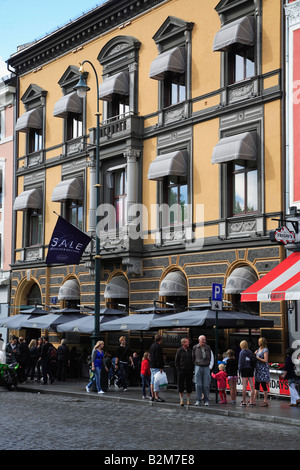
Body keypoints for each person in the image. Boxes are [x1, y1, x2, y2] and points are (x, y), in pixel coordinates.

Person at [192, 335, 214, 406]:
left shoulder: (208, 347)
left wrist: (209, 364)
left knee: (206, 385)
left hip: (206, 366)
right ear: (199, 340)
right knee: (198, 384)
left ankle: (206, 400)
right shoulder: (195, 347)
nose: (204, 341)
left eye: (205, 340)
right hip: (198, 366)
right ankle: (198, 400)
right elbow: (193, 357)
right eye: (202, 340)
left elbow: (210, 357)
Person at [175, 337, 193, 406]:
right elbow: (176, 361)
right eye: (187, 342)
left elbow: (192, 360)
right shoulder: (179, 350)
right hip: (181, 370)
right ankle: (181, 400)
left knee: (189, 385)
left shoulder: (190, 351)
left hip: (189, 370)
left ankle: (188, 400)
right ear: (183, 343)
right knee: (181, 385)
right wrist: (178, 369)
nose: (188, 343)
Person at [238, 340, 255, 406]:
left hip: (244, 369)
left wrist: (239, 371)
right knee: (252, 386)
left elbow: (240, 362)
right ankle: (251, 400)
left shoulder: (242, 352)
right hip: (250, 369)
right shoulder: (250, 352)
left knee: (244, 386)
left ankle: (244, 401)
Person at [254, 337, 270, 407]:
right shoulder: (259, 349)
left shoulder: (265, 350)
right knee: (256, 384)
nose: (258, 343)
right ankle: (253, 399)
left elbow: (266, 360)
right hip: (258, 369)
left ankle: (265, 401)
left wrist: (258, 358)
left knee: (263, 385)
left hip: (263, 370)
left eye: (259, 341)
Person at [149, 334, 165, 402]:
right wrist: (161, 367)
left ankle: (152, 396)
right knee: (156, 382)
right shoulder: (158, 347)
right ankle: (156, 396)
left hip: (152, 365)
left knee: (152, 382)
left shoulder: (152, 346)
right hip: (156, 366)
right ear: (160, 340)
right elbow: (159, 358)